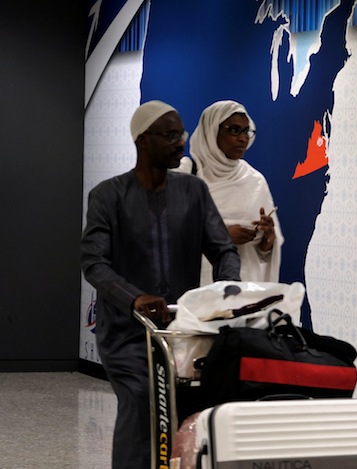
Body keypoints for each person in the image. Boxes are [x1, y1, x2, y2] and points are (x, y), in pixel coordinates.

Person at [80, 100, 240, 469]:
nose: (180, 143)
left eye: (180, 134)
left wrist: (228, 290)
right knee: (142, 399)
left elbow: (223, 249)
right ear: (142, 140)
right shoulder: (107, 196)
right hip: (126, 334)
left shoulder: (194, 192)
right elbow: (94, 263)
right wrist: (134, 298)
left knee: (190, 410)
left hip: (183, 332)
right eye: (169, 136)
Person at [178, 99, 283, 284]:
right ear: (211, 131)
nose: (243, 138)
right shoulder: (184, 175)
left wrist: (267, 236)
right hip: (197, 287)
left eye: (246, 131)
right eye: (234, 130)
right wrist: (222, 236)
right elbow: (167, 236)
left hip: (243, 287)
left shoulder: (254, 180)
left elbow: (265, 251)